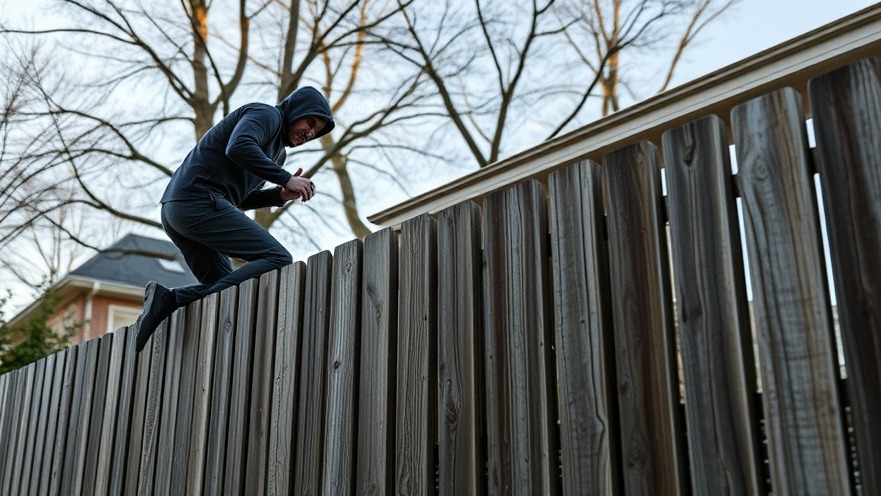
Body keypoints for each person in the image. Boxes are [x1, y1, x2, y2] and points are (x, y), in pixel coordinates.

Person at [134, 86, 335, 352]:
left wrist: (279, 194)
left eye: (317, 131)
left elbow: (239, 199)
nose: (311, 132)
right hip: (197, 201)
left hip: (180, 210)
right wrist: (285, 177)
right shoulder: (267, 115)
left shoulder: (278, 153)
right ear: (295, 110)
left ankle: (185, 326)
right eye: (310, 121)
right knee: (278, 258)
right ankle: (172, 299)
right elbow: (238, 146)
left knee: (227, 294)